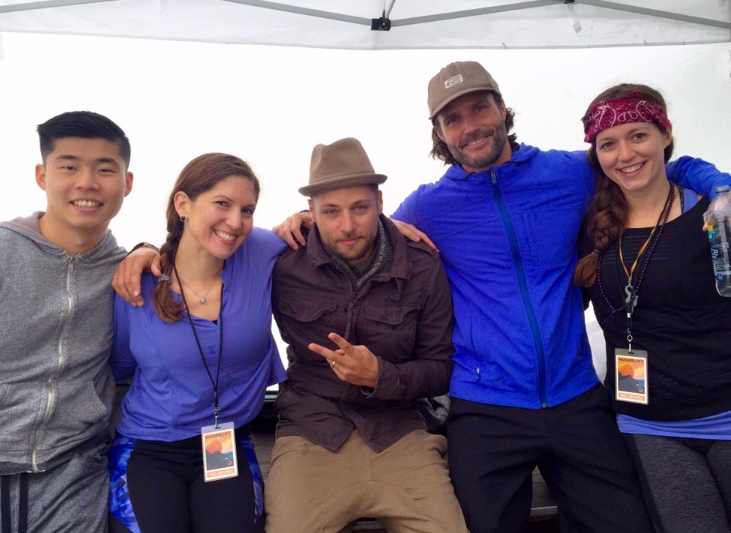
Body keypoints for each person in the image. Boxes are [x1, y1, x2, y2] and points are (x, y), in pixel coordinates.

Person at [273, 62, 731, 533]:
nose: (470, 127)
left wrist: (718, 183)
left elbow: (654, 166)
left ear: (503, 109)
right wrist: (303, 222)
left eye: (480, 108)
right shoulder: (429, 206)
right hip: (484, 405)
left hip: (576, 396)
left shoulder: (570, 173)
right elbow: (360, 226)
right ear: (439, 133)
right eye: (453, 119)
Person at [263, 137, 467, 533]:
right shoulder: (283, 263)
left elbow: (441, 368)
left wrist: (380, 376)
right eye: (331, 211)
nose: (347, 226)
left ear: (379, 203)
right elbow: (206, 259)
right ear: (311, 212)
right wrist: (146, 251)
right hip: (311, 433)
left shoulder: (422, 266)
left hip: (399, 432)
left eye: (360, 208)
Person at [574, 84, 731, 533]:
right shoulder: (590, 227)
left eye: (638, 135)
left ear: (665, 134)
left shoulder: (715, 214)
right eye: (608, 143)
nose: (625, 154)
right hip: (649, 425)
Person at [108, 153, 287, 533]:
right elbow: (119, 365)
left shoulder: (259, 251)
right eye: (222, 203)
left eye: (247, 210)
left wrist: (396, 229)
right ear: (183, 204)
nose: (235, 222)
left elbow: (331, 229)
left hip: (226, 443)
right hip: (150, 447)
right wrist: (142, 249)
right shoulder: (137, 286)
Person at [0, 111, 134, 532]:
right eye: (69, 167)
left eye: (104, 169)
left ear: (127, 182)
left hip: (74, 472)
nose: (87, 182)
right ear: (42, 176)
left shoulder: (126, 273)